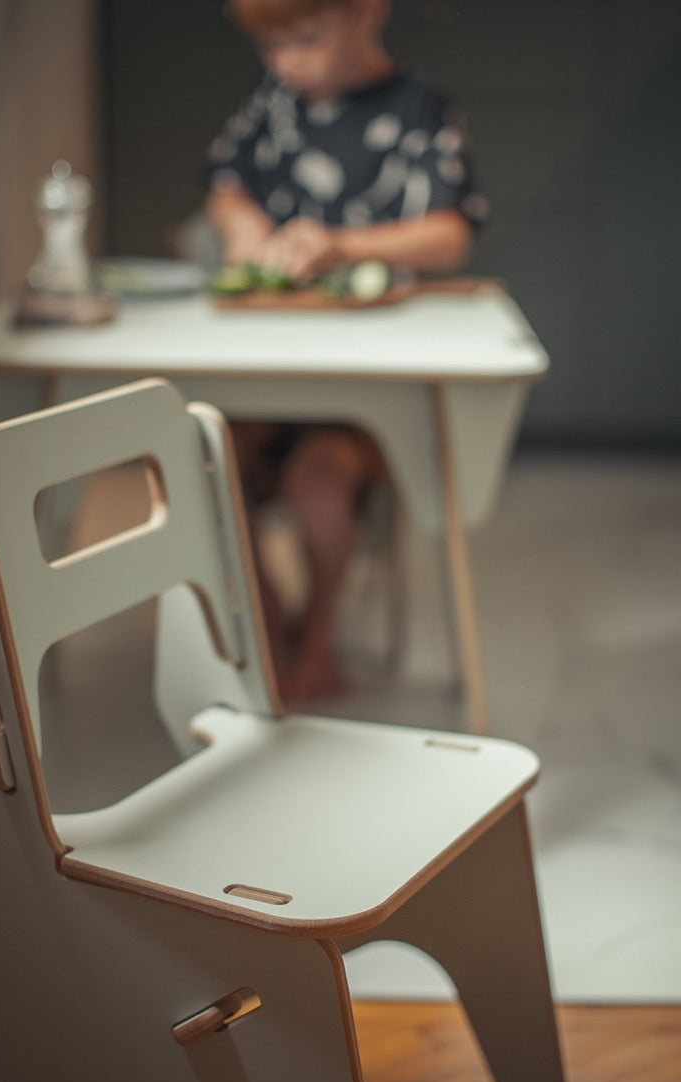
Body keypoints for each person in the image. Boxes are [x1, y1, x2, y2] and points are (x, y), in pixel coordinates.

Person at [206, 0, 487, 699]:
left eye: (304, 40)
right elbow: (225, 183)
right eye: (271, 50)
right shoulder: (274, 101)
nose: (286, 64)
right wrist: (241, 228)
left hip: (363, 395)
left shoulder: (417, 106)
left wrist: (342, 246)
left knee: (320, 478)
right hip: (269, 371)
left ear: (366, 12)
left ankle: (320, 631)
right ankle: (267, 621)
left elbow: (449, 233)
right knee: (205, 450)